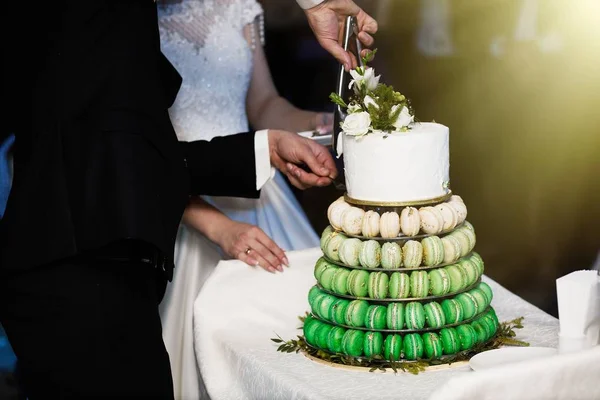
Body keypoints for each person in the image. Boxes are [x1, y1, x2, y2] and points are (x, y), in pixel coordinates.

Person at [0, 0, 376, 398]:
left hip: (125, 245)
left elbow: (134, 148)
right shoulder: (90, 25)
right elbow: (107, 152)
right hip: (89, 254)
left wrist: (266, 146)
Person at [156, 1, 335, 397]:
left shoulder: (238, 6)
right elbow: (136, 150)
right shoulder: (127, 19)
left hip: (256, 187)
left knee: (296, 344)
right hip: (177, 203)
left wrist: (313, 124)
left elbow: (264, 104)